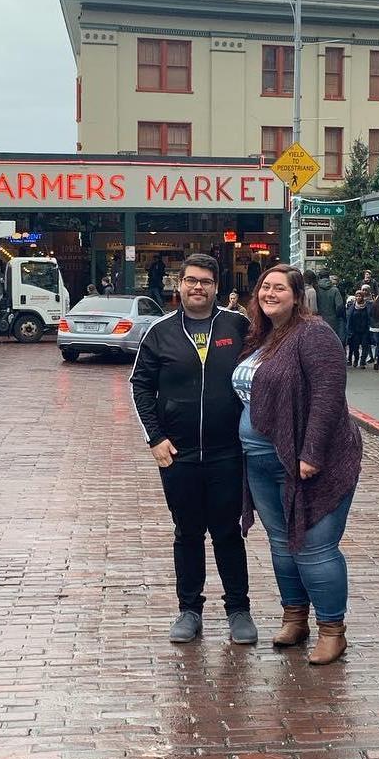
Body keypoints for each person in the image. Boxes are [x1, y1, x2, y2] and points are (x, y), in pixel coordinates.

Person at [233, 264, 362, 665]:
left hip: (306, 461)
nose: (270, 293)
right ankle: (295, 616)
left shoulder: (314, 333)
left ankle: (332, 630)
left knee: (313, 545)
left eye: (279, 288)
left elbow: (328, 395)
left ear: (297, 294)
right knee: (282, 543)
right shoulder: (262, 336)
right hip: (259, 459)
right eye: (265, 287)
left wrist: (312, 454)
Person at [130, 252, 257, 646]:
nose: (197, 287)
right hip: (178, 454)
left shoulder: (239, 326)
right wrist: (155, 438)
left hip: (228, 452)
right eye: (190, 280)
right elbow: (140, 385)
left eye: (205, 281)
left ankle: (238, 609)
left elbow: (264, 373)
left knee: (227, 533)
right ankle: (189, 610)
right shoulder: (161, 331)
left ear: (216, 286)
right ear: (178, 284)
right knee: (187, 533)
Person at [315, 274, 346, 345]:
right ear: (328, 277)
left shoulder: (316, 289)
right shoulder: (335, 290)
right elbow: (339, 306)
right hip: (333, 320)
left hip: (319, 319)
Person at [345, 289, 371, 367]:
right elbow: (349, 319)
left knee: (365, 346)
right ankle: (356, 360)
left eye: (360, 296)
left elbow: (370, 318)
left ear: (363, 297)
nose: (358, 297)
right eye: (357, 296)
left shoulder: (367, 307)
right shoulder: (352, 307)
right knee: (355, 347)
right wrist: (349, 330)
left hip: (365, 330)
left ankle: (362, 361)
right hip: (355, 331)